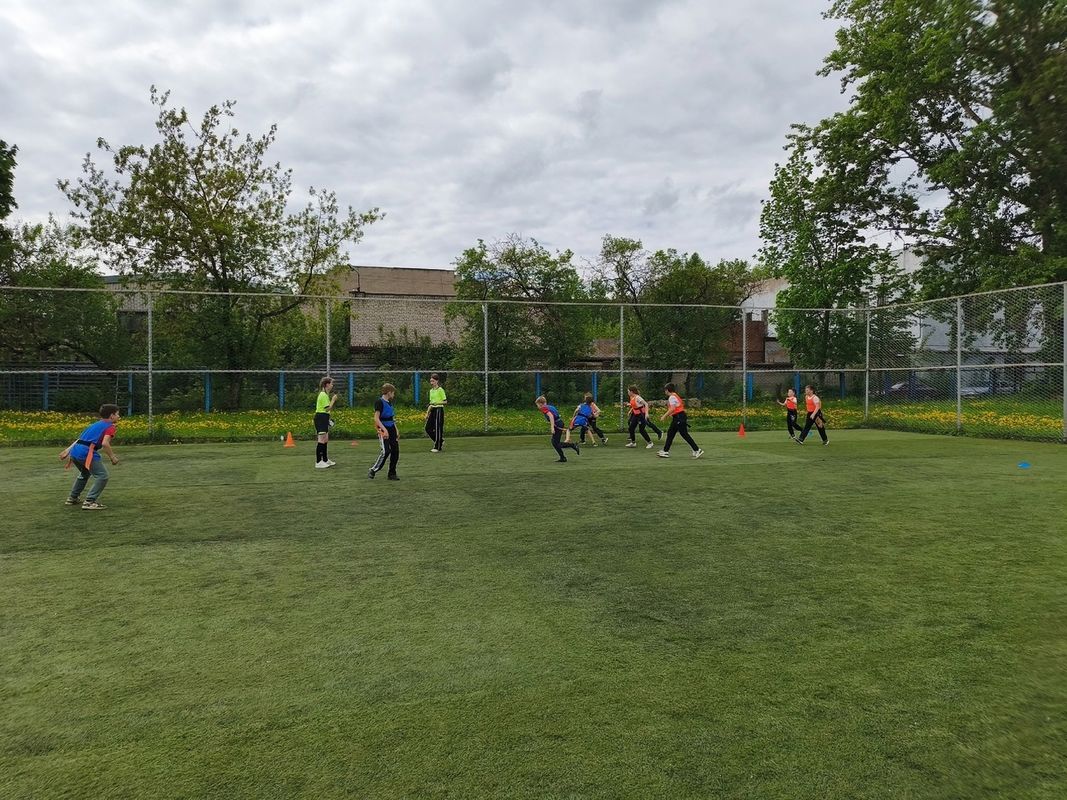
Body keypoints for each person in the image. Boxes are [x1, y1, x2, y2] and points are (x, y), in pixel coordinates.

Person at [60, 403, 121, 510]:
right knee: (102, 476)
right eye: (117, 414)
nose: (119, 416)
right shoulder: (110, 427)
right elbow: (105, 443)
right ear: (112, 416)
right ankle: (89, 502)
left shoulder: (94, 425)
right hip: (86, 452)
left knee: (85, 473)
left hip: (75, 452)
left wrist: (68, 450)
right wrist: (113, 457)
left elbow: (80, 439)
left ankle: (72, 498)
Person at [657, 383, 704, 459]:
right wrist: (671, 415)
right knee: (670, 433)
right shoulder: (675, 395)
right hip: (678, 417)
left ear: (667, 390)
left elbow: (672, 408)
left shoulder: (672, 397)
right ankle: (665, 451)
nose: (664, 392)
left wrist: (664, 416)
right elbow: (675, 408)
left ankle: (697, 450)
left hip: (679, 417)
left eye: (665, 390)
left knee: (684, 434)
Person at [368, 383, 400, 480]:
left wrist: (396, 429)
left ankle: (392, 473)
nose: (393, 395)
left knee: (395, 450)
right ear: (389, 392)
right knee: (386, 451)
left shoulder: (389, 403)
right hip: (383, 427)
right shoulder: (379, 402)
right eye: (393, 393)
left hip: (391, 427)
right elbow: (376, 418)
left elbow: (391, 418)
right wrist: (384, 430)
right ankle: (373, 469)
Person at [536, 395, 580, 462]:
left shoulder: (543, 408)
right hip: (559, 422)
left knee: (555, 443)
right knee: (555, 442)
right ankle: (563, 456)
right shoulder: (550, 406)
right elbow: (557, 414)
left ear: (540, 404)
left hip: (557, 424)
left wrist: (552, 427)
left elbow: (551, 416)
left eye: (537, 405)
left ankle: (572, 446)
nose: (537, 406)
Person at [314, 376, 338, 469]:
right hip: (320, 418)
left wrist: (328, 420)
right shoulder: (323, 395)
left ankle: (325, 459)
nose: (332, 385)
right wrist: (333, 400)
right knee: (321, 439)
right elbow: (327, 408)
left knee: (325, 439)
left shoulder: (325, 395)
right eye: (331, 383)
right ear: (327, 384)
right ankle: (318, 462)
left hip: (324, 418)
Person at [424, 373, 447, 453]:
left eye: (433, 381)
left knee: (438, 428)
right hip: (433, 410)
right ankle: (440, 441)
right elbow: (431, 403)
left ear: (437, 381)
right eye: (431, 381)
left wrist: (437, 403)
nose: (431, 383)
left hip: (439, 409)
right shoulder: (431, 391)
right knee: (428, 428)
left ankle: (438, 446)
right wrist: (427, 413)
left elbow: (445, 401)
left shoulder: (440, 390)